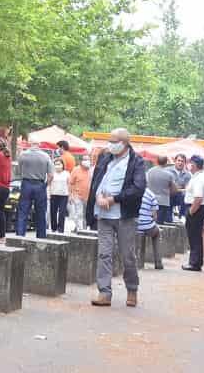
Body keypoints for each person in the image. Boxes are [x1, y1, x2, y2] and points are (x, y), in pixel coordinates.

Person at [87, 128, 147, 306]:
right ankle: (104, 292)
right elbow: (97, 180)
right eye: (110, 141)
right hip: (103, 214)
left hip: (124, 215)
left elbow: (138, 188)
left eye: (114, 141)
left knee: (127, 255)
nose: (110, 145)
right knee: (104, 254)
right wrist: (98, 196)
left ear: (125, 143)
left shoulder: (136, 162)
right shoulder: (105, 158)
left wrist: (114, 199)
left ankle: (132, 289)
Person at [16, 141, 52, 239]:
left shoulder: (23, 155)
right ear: (39, 145)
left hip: (26, 184)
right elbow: (50, 175)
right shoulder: (46, 156)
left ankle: (20, 236)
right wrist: (45, 185)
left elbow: (18, 171)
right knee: (41, 212)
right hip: (40, 185)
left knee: (23, 211)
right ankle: (41, 236)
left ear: (30, 144)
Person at [182, 155, 204, 272]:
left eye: (190, 163)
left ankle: (194, 263)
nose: (189, 165)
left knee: (194, 237)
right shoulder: (201, 177)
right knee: (197, 237)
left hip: (196, 208)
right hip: (199, 208)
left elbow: (198, 198)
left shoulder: (198, 179)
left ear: (194, 165)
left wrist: (191, 211)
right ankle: (196, 262)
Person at [137, 184, 164, 270]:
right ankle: (158, 262)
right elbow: (154, 216)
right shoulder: (151, 194)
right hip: (148, 227)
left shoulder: (132, 192)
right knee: (157, 233)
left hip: (134, 226)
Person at [146, 155, 177, 226]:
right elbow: (174, 190)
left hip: (150, 200)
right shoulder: (169, 174)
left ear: (157, 161)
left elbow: (146, 184)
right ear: (166, 162)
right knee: (160, 225)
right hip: (163, 202)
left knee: (149, 223)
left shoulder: (149, 172)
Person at [69, 155, 92, 233]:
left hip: (88, 197)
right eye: (85, 159)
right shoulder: (76, 170)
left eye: (88, 159)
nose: (87, 161)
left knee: (85, 214)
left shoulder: (92, 170)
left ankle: (83, 229)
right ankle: (80, 230)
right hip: (77, 195)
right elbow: (71, 183)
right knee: (79, 213)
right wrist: (70, 195)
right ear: (81, 161)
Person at [49, 159, 70, 233]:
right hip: (53, 194)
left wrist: (70, 195)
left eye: (59, 164)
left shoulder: (66, 174)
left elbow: (69, 184)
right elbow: (49, 183)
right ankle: (54, 228)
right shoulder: (52, 173)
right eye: (56, 164)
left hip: (64, 195)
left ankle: (61, 229)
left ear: (62, 165)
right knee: (53, 212)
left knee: (62, 213)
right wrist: (48, 193)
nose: (57, 166)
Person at [171, 154, 190, 221]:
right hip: (168, 194)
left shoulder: (187, 175)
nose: (180, 163)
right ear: (175, 161)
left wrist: (177, 189)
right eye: (178, 160)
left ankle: (182, 216)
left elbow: (187, 188)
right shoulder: (168, 171)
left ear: (185, 163)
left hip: (180, 196)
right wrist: (179, 188)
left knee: (185, 195)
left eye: (182, 161)